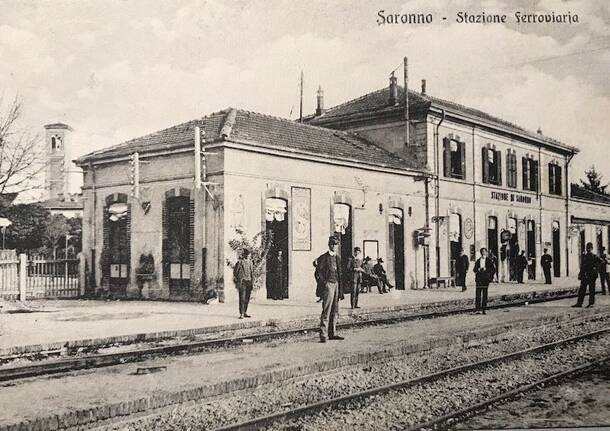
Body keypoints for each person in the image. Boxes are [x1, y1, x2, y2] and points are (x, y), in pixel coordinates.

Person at [314, 236, 344, 343]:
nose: (334, 246)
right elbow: (318, 272)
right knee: (326, 310)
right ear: (329, 244)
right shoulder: (324, 257)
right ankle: (323, 335)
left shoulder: (338, 258)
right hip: (329, 285)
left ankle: (333, 333)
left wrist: (340, 288)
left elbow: (340, 274)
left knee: (335, 310)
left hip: (336, 285)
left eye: (336, 244)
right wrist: (325, 283)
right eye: (332, 244)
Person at [573, 242, 599, 308]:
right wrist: (580, 273)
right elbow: (582, 266)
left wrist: (595, 269)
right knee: (582, 289)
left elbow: (601, 262)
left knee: (591, 290)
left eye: (589, 248)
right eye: (587, 248)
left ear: (592, 248)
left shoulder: (594, 256)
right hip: (585, 275)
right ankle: (579, 303)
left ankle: (591, 303)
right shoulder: (585, 256)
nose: (588, 249)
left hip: (592, 275)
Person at [473, 248, 495, 314]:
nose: (483, 253)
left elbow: (493, 269)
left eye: (484, 252)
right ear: (480, 253)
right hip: (479, 279)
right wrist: (478, 269)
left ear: (486, 252)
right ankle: (477, 309)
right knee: (478, 295)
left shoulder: (489, 260)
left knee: (485, 295)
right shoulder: (478, 260)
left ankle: (484, 309)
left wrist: (487, 270)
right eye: (482, 252)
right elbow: (474, 269)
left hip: (485, 279)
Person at [233, 248, 254, 319]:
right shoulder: (240, 262)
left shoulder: (251, 262)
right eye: (248, 255)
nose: (249, 256)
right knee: (242, 298)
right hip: (242, 282)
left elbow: (252, 272)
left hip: (249, 282)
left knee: (247, 298)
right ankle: (241, 313)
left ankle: (245, 312)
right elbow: (235, 272)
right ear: (245, 255)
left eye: (249, 255)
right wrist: (239, 279)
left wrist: (252, 281)